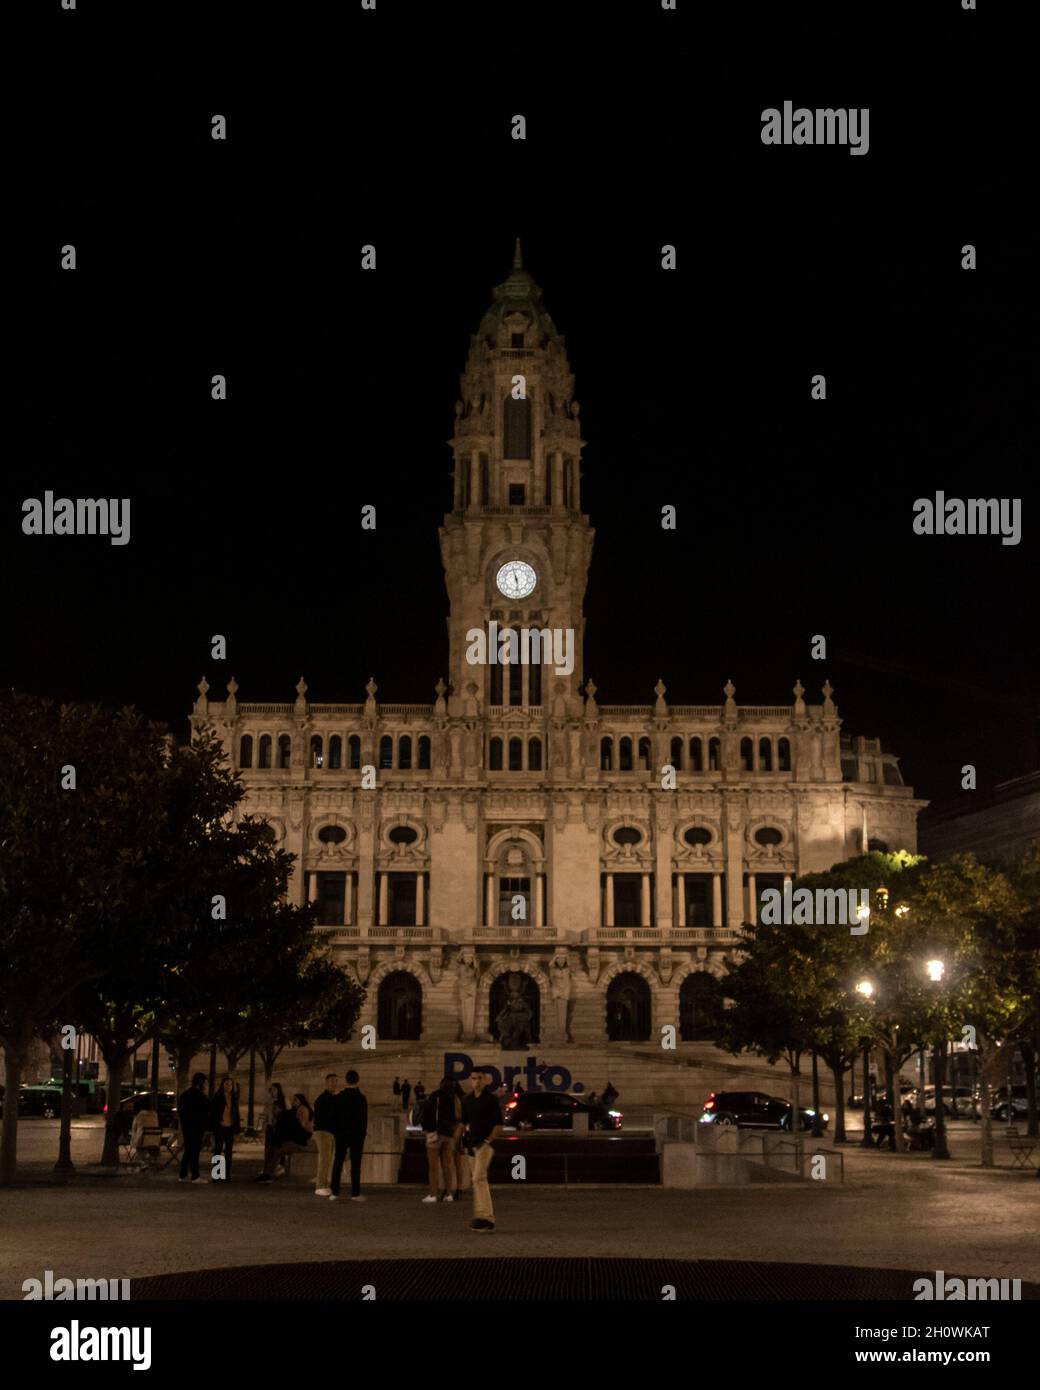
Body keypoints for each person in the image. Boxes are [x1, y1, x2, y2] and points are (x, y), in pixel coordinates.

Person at [461, 1069, 503, 1232]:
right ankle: (481, 1216)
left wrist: (487, 1141)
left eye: (479, 1078)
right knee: (477, 1180)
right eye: (473, 1078)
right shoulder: (467, 1100)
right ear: (470, 1080)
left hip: (484, 1144)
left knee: (478, 1178)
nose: (476, 1081)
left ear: (485, 1080)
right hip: (472, 1144)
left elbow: (498, 1124)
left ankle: (486, 1216)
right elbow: (463, 1122)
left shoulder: (491, 1099)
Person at [421, 1075, 464, 1203]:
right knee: (447, 1165)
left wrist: (427, 1128)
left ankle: (433, 1194)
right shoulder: (455, 1098)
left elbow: (427, 1113)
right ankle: (449, 1194)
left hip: (435, 1133)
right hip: (450, 1135)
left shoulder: (436, 1096)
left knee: (433, 1166)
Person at [257, 1090, 314, 1181]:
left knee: (276, 1150)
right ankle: (267, 1173)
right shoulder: (287, 1115)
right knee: (272, 1149)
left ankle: (269, 1174)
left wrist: (277, 1142)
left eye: (274, 1109)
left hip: (300, 1141)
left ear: (280, 1108)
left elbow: (294, 1130)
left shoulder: (296, 1112)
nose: (273, 1111)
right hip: (294, 1139)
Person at [330, 1069, 368, 1202]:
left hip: (341, 1134)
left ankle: (334, 1192)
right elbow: (364, 1119)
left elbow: (334, 1117)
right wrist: (362, 1134)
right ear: (357, 1080)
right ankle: (355, 1193)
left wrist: (336, 1132)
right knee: (356, 1164)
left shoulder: (339, 1097)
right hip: (356, 1135)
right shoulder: (361, 1098)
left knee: (338, 1162)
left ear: (346, 1080)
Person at [312, 1073, 342, 1197]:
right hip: (323, 1131)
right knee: (324, 1158)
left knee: (327, 1159)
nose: (334, 1083)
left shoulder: (329, 1097)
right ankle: (320, 1185)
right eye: (331, 1081)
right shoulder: (324, 1098)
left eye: (335, 1081)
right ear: (326, 1083)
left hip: (327, 1132)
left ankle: (323, 1184)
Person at [178, 1073, 209, 1183]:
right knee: (194, 1151)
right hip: (196, 1127)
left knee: (188, 1150)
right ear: (201, 1083)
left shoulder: (185, 1095)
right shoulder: (200, 1096)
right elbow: (205, 1112)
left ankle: (183, 1174)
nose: (206, 1085)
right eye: (205, 1083)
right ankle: (195, 1175)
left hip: (187, 1127)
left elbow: (181, 1112)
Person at [209, 1076, 241, 1181]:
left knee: (228, 1151)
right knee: (218, 1150)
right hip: (220, 1126)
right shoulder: (218, 1097)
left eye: (230, 1084)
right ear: (222, 1085)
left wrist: (237, 1128)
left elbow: (237, 1113)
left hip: (230, 1127)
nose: (228, 1086)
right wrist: (215, 1123)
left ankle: (227, 1174)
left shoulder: (234, 1098)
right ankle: (217, 1174)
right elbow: (213, 1111)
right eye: (226, 1084)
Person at [129, 1094, 160, 1163]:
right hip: (155, 1141)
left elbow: (134, 1129)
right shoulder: (154, 1114)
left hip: (142, 1141)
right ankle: (148, 1159)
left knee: (138, 1143)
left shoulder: (139, 1115)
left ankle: (144, 1160)